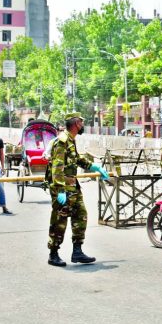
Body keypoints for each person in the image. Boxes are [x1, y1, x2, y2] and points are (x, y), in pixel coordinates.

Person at [47, 113, 110, 266]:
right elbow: (57, 167)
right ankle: (53, 254)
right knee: (59, 221)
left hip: (73, 187)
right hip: (63, 188)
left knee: (81, 216)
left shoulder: (70, 140)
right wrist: (60, 189)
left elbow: (76, 159)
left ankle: (77, 252)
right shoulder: (62, 141)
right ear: (75, 123)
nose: (82, 124)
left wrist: (93, 166)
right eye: (81, 122)